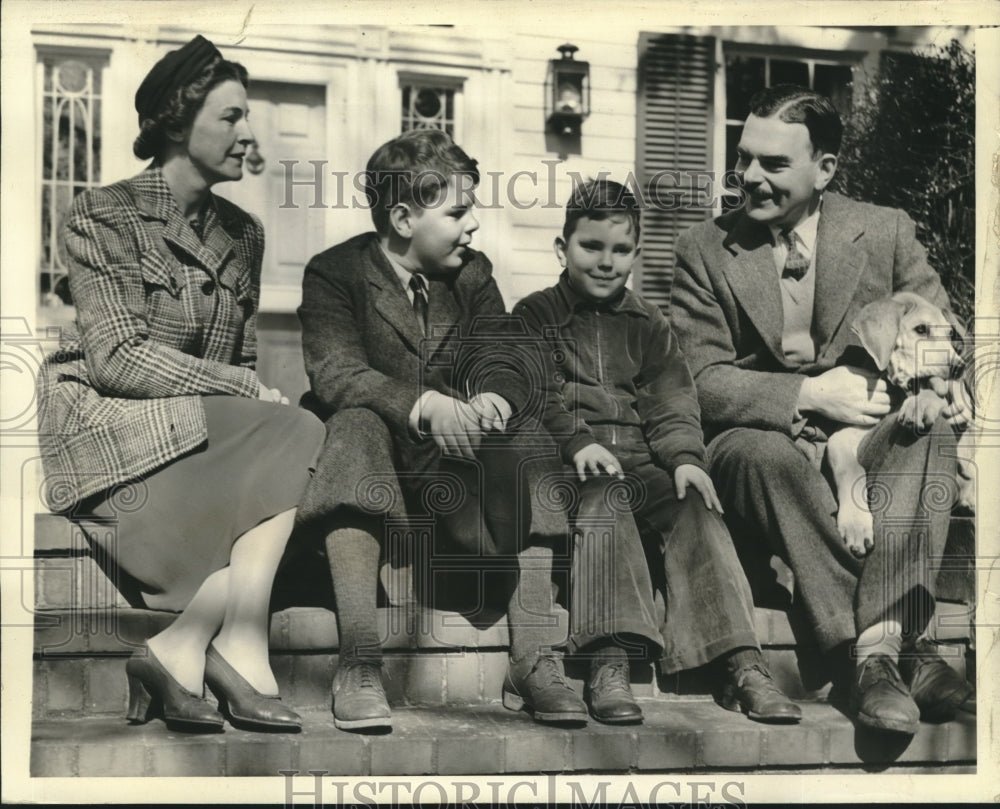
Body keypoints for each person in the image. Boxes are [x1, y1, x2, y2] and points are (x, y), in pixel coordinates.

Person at [36, 35, 325, 734]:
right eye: (230, 117)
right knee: (300, 431)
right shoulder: (101, 214)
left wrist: (244, 394)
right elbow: (116, 357)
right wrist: (238, 388)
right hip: (112, 438)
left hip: (197, 440)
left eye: (247, 117)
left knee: (306, 435)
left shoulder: (244, 234)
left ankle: (189, 642)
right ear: (175, 119)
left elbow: (247, 363)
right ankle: (232, 646)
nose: (249, 134)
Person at [670, 84, 974, 735]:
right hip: (759, 437)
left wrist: (931, 376)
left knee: (930, 430)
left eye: (773, 164)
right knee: (763, 454)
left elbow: (943, 334)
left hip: (867, 432)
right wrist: (810, 393)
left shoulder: (885, 231)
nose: (749, 176)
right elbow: (699, 377)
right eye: (744, 157)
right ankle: (881, 653)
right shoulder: (704, 249)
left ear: (825, 169)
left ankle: (877, 651)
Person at [296, 128, 594, 731]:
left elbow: (511, 356)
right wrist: (425, 404)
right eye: (457, 212)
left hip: (457, 492)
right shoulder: (335, 274)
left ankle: (535, 658)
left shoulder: (472, 275)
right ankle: (358, 661)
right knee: (352, 423)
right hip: (372, 482)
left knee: (531, 436)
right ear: (403, 217)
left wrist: (491, 399)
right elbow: (336, 373)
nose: (472, 226)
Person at [512, 179, 802, 725]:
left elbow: (671, 400)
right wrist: (578, 442)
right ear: (562, 248)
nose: (605, 262)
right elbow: (534, 394)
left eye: (621, 251)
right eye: (590, 247)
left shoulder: (649, 324)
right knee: (606, 500)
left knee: (697, 505)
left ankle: (739, 659)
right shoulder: (535, 316)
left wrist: (687, 458)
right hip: (572, 468)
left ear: (636, 255)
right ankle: (609, 657)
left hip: (644, 461)